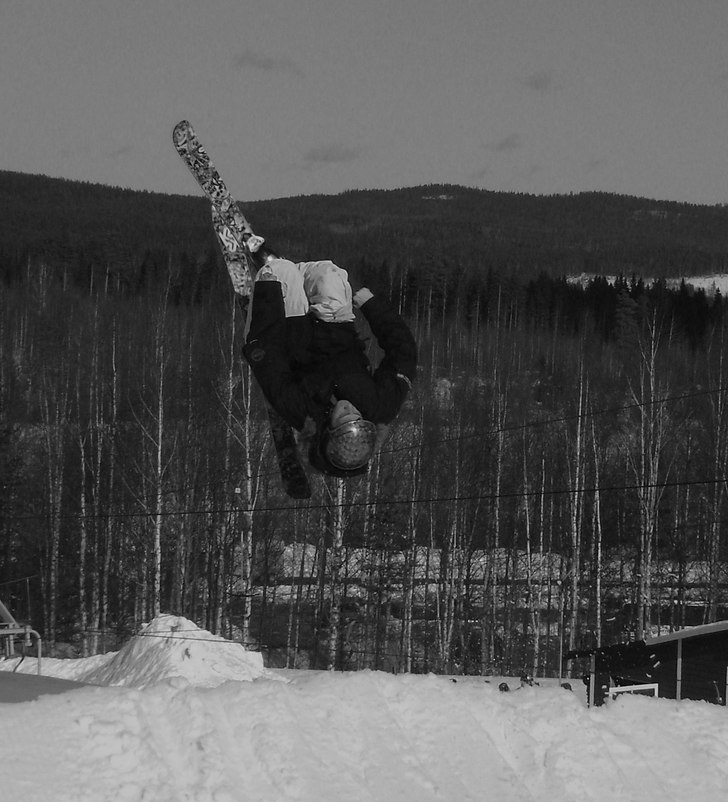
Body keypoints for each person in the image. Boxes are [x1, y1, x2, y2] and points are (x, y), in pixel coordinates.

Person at [240, 237, 417, 477]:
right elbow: (403, 353)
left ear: (327, 430)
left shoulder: (301, 410)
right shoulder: (381, 405)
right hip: (335, 327)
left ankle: (276, 269)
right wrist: (373, 306)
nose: (349, 409)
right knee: (330, 274)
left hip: (288, 331)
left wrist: (268, 294)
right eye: (356, 417)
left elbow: (267, 359)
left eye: (342, 417)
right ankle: (293, 274)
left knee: (280, 273)